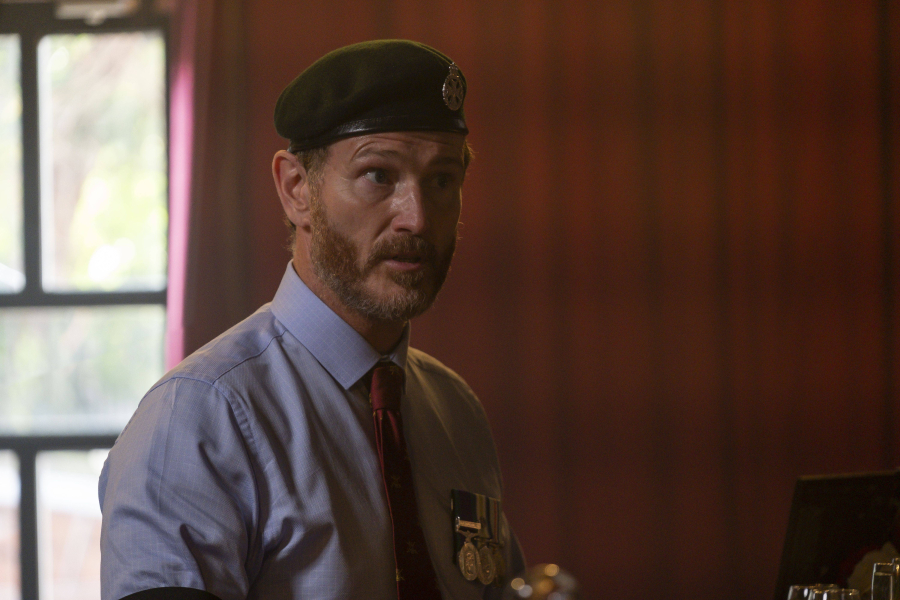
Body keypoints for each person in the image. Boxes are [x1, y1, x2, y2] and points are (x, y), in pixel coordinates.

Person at [98, 40, 524, 600]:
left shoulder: (455, 410)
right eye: (378, 175)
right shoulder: (199, 417)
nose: (417, 218)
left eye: (442, 180)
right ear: (296, 190)